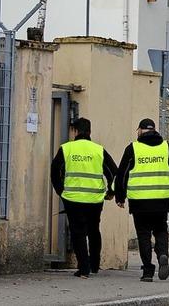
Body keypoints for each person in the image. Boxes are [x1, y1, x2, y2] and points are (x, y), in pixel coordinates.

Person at [115, 118, 169, 282]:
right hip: (161, 201)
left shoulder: (133, 149)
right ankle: (163, 254)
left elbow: (122, 174)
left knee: (143, 234)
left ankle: (148, 271)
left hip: (139, 202)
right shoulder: (166, 148)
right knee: (161, 230)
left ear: (140, 131)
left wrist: (120, 196)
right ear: (154, 130)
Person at [51, 117, 117, 279]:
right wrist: (111, 192)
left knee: (78, 232)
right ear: (89, 131)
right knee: (94, 230)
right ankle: (94, 265)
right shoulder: (98, 150)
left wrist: (61, 191)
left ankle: (84, 268)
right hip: (94, 200)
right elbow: (113, 172)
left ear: (74, 131)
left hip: (72, 199)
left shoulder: (66, 149)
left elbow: (54, 171)